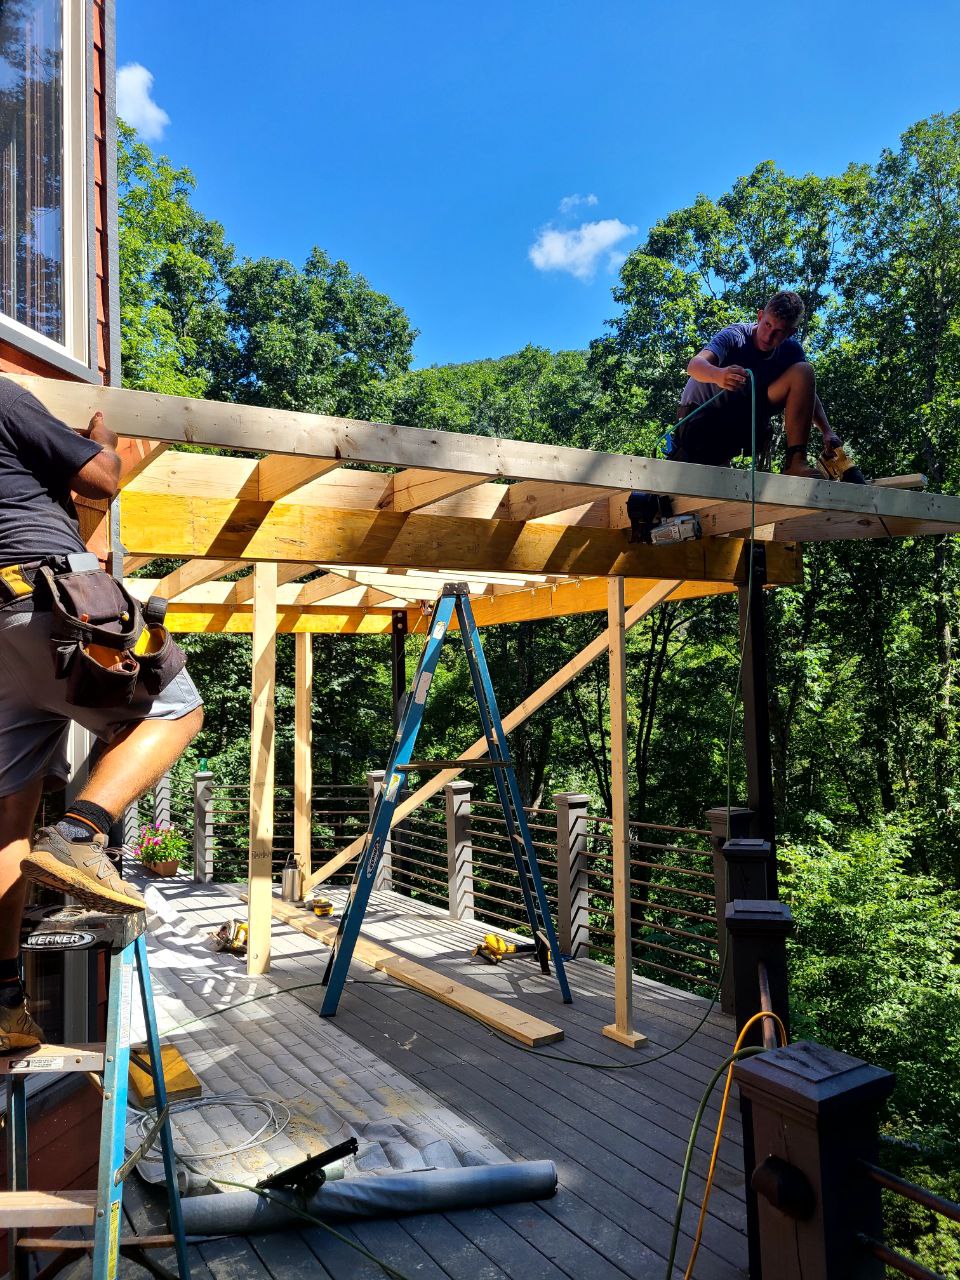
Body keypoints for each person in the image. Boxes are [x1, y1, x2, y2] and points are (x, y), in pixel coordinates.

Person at [0, 378, 204, 1052]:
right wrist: (104, 442)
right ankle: (82, 836)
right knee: (175, 709)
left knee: (10, 817)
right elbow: (103, 480)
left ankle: (4, 1004)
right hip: (50, 603)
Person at [668, 291, 841, 477]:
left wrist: (827, 431)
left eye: (778, 331)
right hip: (699, 418)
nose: (768, 336)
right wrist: (718, 375)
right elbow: (694, 365)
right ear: (760, 316)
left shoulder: (791, 351)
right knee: (702, 476)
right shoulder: (735, 335)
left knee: (804, 372)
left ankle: (796, 463)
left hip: (739, 417)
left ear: (791, 333)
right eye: (767, 325)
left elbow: (805, 393)